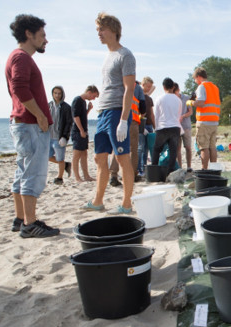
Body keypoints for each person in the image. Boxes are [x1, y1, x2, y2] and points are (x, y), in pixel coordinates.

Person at [5, 14, 59, 238]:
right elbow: (19, 87)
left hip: (22, 123)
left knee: (22, 171)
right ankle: (29, 223)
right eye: (42, 35)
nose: (45, 40)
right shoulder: (22, 57)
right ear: (29, 34)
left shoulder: (17, 57)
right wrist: (40, 115)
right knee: (33, 174)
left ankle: (20, 219)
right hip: (29, 124)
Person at [83, 12, 136, 215]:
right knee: (99, 158)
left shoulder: (125, 55)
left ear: (113, 30)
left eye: (101, 29)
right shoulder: (107, 56)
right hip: (103, 113)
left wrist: (123, 120)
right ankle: (97, 200)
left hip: (116, 113)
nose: (98, 33)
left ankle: (126, 203)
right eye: (97, 29)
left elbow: (129, 89)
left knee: (123, 158)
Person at [109, 80, 145, 184]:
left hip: (117, 121)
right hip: (132, 120)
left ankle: (113, 175)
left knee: (116, 148)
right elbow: (143, 107)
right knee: (133, 149)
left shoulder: (116, 84)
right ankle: (133, 174)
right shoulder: (136, 87)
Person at [188, 67, 220, 169]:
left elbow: (201, 103)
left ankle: (204, 169)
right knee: (212, 147)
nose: (195, 81)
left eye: (195, 79)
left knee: (204, 148)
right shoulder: (215, 87)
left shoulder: (202, 87)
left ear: (199, 77)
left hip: (204, 121)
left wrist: (191, 102)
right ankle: (213, 169)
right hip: (214, 121)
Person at [152, 77, 182, 174]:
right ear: (173, 87)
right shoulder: (178, 100)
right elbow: (179, 115)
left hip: (163, 127)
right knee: (173, 151)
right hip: (175, 127)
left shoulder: (160, 98)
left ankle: (154, 170)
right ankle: (170, 172)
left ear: (163, 87)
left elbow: (156, 115)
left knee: (157, 150)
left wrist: (156, 127)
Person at [71, 85, 99, 182]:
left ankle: (86, 176)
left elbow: (82, 116)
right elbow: (76, 117)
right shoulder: (77, 100)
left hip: (83, 130)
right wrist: (81, 130)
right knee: (76, 155)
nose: (94, 99)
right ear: (89, 92)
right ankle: (77, 177)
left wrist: (88, 110)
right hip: (78, 131)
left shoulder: (83, 102)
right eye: (94, 96)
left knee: (84, 154)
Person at [47, 85, 72, 184]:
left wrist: (65, 137)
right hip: (48, 137)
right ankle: (66, 165)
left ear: (62, 94)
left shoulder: (66, 107)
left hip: (59, 138)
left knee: (59, 158)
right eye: (55, 93)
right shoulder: (48, 105)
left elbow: (69, 123)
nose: (57, 95)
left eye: (59, 93)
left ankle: (60, 178)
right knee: (47, 156)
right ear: (52, 94)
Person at [174, 82, 194, 171]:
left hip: (186, 126)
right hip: (176, 127)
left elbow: (191, 112)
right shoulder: (172, 99)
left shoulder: (186, 98)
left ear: (178, 90)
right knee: (178, 148)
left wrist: (183, 116)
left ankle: (189, 166)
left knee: (188, 147)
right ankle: (180, 167)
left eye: (175, 91)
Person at [138, 76, 155, 176]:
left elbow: (152, 114)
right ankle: (139, 169)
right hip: (141, 125)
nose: (149, 88)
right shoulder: (138, 96)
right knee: (140, 147)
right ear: (143, 85)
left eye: (150, 87)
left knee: (146, 148)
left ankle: (144, 167)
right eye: (147, 86)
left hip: (149, 126)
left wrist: (155, 126)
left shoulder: (149, 98)